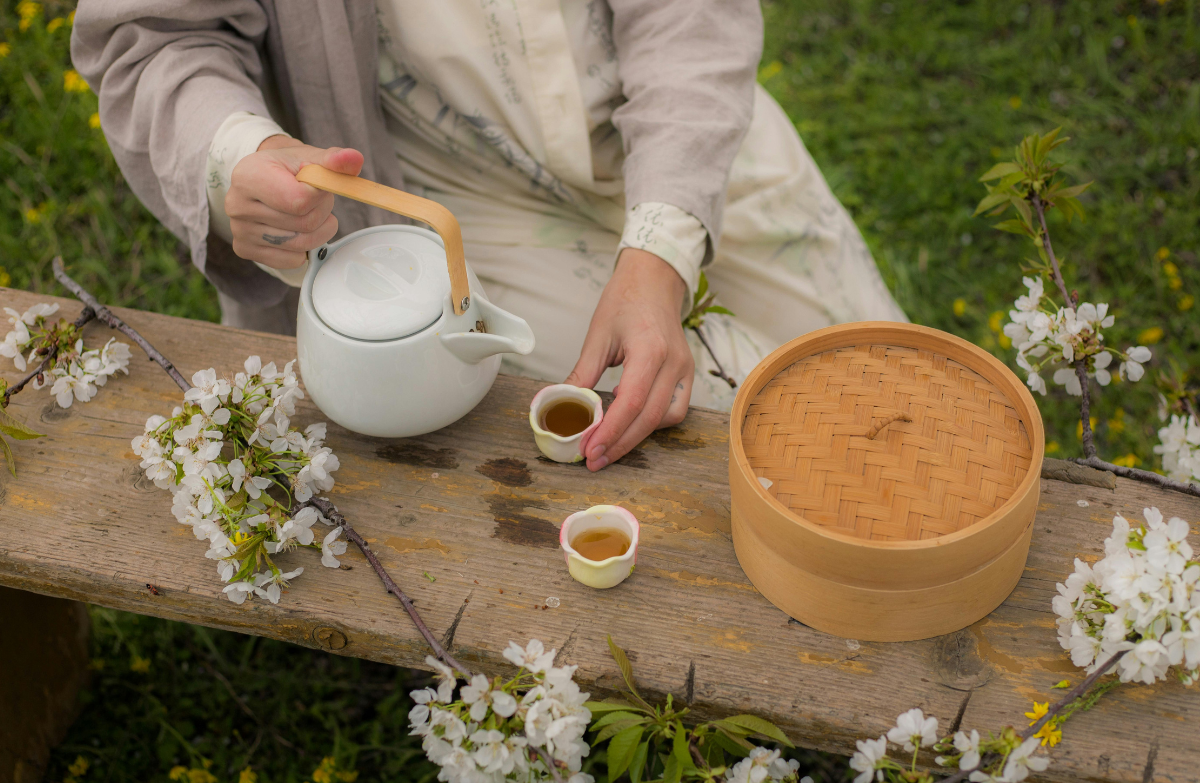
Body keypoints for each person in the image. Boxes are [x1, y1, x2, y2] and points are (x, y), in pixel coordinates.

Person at [72, 1, 904, 470]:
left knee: (888, 390)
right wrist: (235, 153)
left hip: (676, 127)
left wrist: (661, 250)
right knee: (716, 433)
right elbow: (151, 39)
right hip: (438, 188)